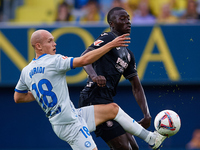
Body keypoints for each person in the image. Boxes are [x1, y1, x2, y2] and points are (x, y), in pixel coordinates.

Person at [14, 29, 166, 150]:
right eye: (50, 41)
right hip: (70, 125)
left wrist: (39, 94)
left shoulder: (26, 71)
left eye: (53, 40)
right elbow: (84, 60)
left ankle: (151, 138)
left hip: (70, 118)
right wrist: (110, 45)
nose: (55, 44)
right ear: (38, 46)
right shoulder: (54, 61)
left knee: (112, 109)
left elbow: (18, 97)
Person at [79, 7, 153, 150]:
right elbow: (84, 57)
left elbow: (136, 86)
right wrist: (94, 76)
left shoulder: (129, 54)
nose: (128, 22)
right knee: (124, 148)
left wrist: (146, 114)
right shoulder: (108, 38)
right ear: (112, 24)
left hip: (107, 102)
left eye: (128, 19)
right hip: (93, 99)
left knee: (133, 148)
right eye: (122, 19)